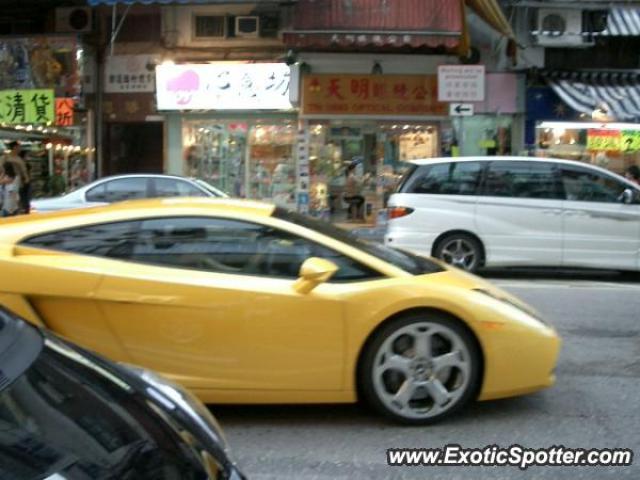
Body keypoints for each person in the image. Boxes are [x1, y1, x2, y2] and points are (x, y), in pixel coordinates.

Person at [1, 141, 30, 213]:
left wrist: (26, 178)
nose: (20, 149)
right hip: (6, 180)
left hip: (17, 180)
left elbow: (24, 170)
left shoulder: (19, 159)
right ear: (14, 147)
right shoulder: (5, 157)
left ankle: (17, 211)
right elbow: (1, 168)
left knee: (16, 198)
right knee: (7, 198)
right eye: (19, 147)